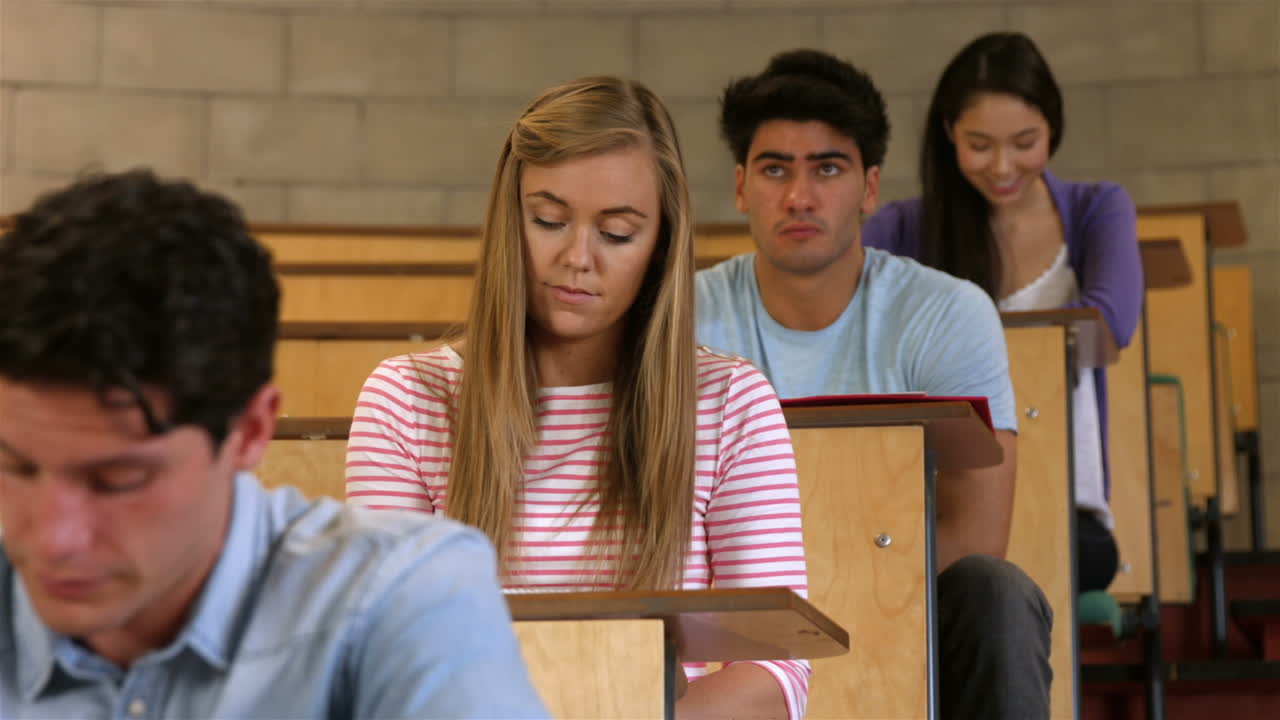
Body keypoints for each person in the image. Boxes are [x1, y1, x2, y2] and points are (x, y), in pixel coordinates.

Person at [0, 170, 548, 718]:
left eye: (117, 480)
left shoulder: (403, 596)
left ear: (249, 431)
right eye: (14, 466)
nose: (54, 538)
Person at [346, 75, 810, 719]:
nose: (577, 257)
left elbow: (778, 669)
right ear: (509, 220)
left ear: (660, 245)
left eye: (616, 233)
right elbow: (383, 656)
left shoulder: (731, 403)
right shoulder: (406, 399)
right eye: (548, 221)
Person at [696, 49, 1052, 719]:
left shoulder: (946, 313)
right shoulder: (683, 320)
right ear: (741, 187)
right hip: (736, 620)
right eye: (775, 169)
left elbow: (978, 532)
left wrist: (848, 595)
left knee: (996, 591)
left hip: (900, 601)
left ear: (869, 188)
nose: (800, 197)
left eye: (828, 169)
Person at [862, 32, 1143, 593]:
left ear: (1053, 128)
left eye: (1024, 142)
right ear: (949, 133)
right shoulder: (903, 227)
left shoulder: (1096, 209)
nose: (1003, 165)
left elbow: (1111, 323)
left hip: (1068, 502)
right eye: (980, 145)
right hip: (936, 503)